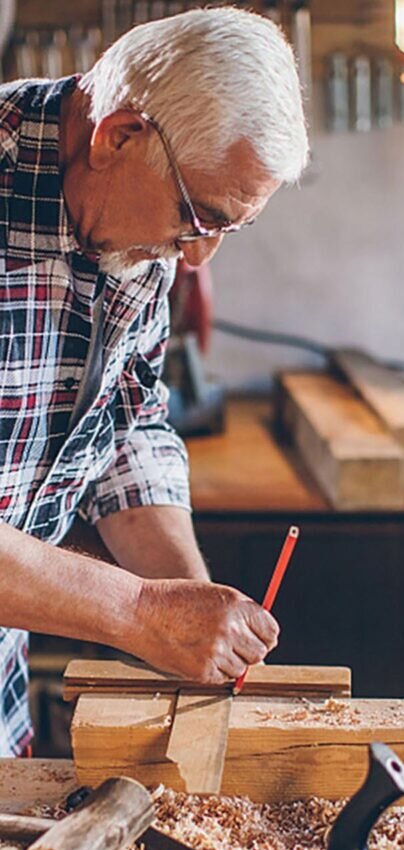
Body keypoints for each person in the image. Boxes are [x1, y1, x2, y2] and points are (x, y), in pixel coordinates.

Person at [0, 8, 309, 756]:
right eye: (199, 218)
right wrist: (141, 611)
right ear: (118, 136)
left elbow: (127, 426)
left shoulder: (135, 227)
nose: (196, 261)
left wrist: (195, 614)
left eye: (227, 229)